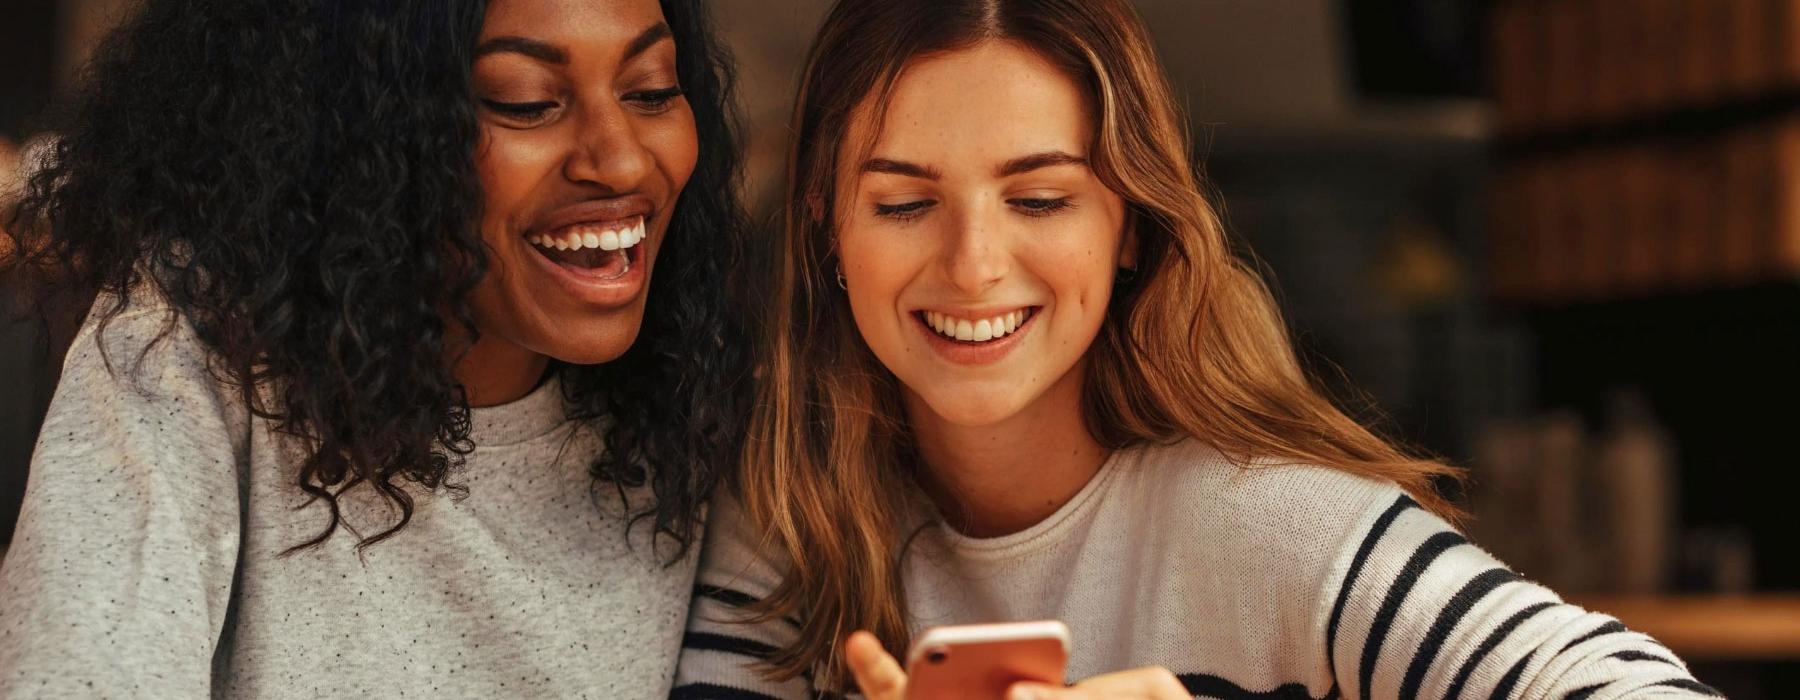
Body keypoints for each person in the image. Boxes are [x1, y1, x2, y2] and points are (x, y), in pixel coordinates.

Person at [674, 1, 1719, 698]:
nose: (975, 262)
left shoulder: (1264, 521)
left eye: (1040, 198)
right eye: (905, 202)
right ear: (824, 222)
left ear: (1128, 223)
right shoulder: (786, 511)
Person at [0, 0, 750, 696]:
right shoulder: (192, 342)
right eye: (525, 101)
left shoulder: (704, 396)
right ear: (361, 133)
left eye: (651, 91)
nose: (620, 162)